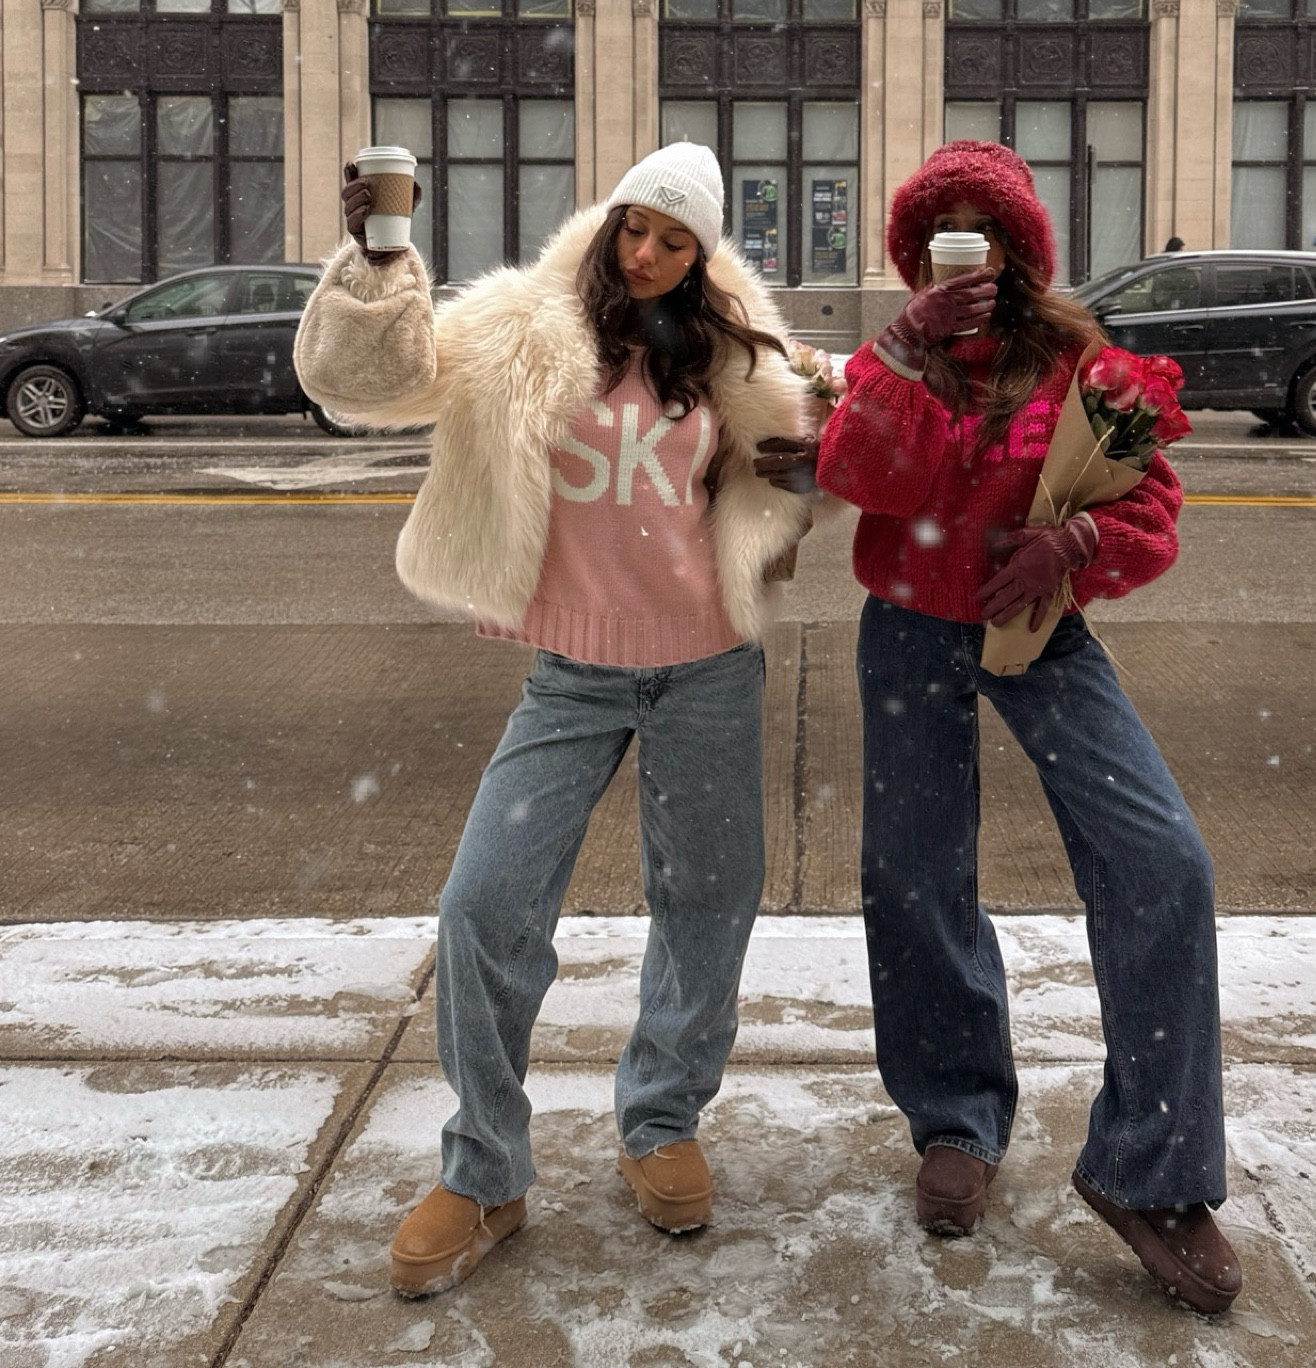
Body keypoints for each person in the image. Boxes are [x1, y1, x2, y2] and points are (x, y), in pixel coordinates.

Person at [294, 142, 820, 1297]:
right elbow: (365, 384)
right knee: (484, 904)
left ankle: (663, 1118)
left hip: (708, 673)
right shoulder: (520, 326)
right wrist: (379, 263)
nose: (646, 252)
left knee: (708, 899)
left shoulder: (735, 354)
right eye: (637, 225)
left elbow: (786, 487)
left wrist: (806, 475)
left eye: (675, 240)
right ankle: (485, 1167)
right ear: (610, 218)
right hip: (569, 676)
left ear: (702, 255)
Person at [815, 140, 1241, 1317]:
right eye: (944, 233)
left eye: (987, 232)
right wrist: (901, 352)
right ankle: (955, 1117)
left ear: (1024, 248)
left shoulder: (1079, 360)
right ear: (914, 254)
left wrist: (1078, 545)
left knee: (1161, 862)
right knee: (913, 876)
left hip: (1040, 633)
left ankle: (1150, 1168)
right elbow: (862, 477)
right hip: (906, 625)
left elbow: (1148, 505)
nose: (970, 251)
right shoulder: (893, 354)